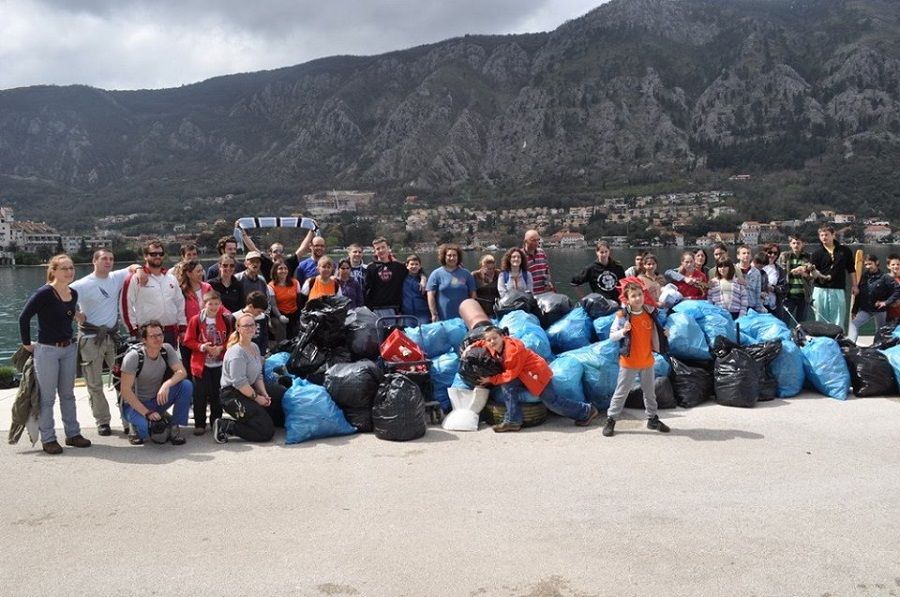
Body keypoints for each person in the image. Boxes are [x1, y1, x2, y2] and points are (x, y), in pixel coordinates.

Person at [19, 254, 92, 454]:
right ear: (53, 271)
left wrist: (77, 315)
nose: (69, 272)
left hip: (69, 348)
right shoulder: (44, 293)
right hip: (47, 350)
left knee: (68, 395)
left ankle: (73, 434)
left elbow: (67, 313)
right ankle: (49, 438)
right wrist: (27, 344)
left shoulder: (73, 293)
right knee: (48, 397)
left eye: (71, 268)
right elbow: (24, 317)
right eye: (64, 268)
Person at [465, 325, 599, 432]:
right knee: (507, 386)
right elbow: (483, 342)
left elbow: (510, 374)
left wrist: (490, 380)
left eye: (494, 338)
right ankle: (513, 421)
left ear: (502, 337)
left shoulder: (513, 351)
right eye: (489, 340)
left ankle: (586, 411)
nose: (491, 342)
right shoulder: (493, 344)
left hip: (536, 374)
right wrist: (471, 347)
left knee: (552, 402)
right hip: (521, 374)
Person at [71, 248, 137, 436]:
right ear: (94, 261)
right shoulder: (82, 284)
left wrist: (137, 270)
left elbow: (134, 266)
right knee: (94, 383)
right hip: (91, 338)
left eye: (111, 259)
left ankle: (127, 420)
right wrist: (76, 314)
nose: (108, 262)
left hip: (113, 337)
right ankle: (102, 421)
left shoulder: (115, 278)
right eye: (104, 259)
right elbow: (58, 295)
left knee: (122, 380)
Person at [603, 280, 671, 437]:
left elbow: (657, 331)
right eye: (633, 296)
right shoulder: (622, 315)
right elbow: (612, 336)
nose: (638, 298)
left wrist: (665, 334)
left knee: (650, 393)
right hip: (629, 362)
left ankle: (652, 419)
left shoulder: (650, 312)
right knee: (621, 392)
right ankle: (611, 419)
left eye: (640, 294)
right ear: (627, 299)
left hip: (647, 361)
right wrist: (623, 332)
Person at [119, 321, 193, 446]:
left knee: (185, 385)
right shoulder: (133, 357)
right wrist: (147, 413)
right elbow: (125, 390)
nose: (157, 339)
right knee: (149, 433)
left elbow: (182, 372)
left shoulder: (166, 349)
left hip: (157, 399)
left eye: (160, 335)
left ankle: (174, 426)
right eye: (152, 336)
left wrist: (166, 385)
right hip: (135, 405)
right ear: (144, 339)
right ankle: (136, 427)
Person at [214, 312, 278, 444]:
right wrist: (257, 398)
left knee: (278, 399)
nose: (250, 328)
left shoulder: (254, 347)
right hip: (232, 396)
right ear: (238, 328)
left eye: (252, 325)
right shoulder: (236, 352)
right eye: (245, 325)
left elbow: (258, 375)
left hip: (248, 390)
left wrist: (264, 393)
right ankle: (226, 426)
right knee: (266, 432)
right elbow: (239, 383)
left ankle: (260, 419)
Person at [183, 291, 232, 436]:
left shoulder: (225, 319)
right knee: (200, 395)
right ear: (204, 304)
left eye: (217, 304)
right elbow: (188, 340)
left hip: (218, 363)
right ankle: (199, 423)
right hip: (201, 364)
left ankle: (216, 421)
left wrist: (221, 348)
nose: (214, 307)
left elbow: (230, 338)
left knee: (217, 394)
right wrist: (202, 347)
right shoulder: (196, 320)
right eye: (211, 304)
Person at [123, 240, 185, 346]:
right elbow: (126, 304)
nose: (158, 256)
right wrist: (133, 330)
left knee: (171, 362)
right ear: (146, 256)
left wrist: (183, 326)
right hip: (148, 334)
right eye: (153, 254)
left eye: (160, 254)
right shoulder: (135, 278)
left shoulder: (171, 278)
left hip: (170, 333)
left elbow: (180, 303)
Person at [810, 225, 858, 330]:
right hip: (820, 289)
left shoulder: (845, 251)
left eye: (826, 234)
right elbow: (812, 274)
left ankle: (838, 339)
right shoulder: (816, 254)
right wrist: (812, 272)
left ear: (833, 235)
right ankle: (821, 340)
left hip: (838, 288)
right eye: (821, 235)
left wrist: (854, 285)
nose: (824, 237)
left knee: (838, 318)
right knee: (820, 318)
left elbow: (851, 269)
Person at [848, 255, 900, 343]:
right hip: (866, 309)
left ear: (876, 263)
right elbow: (859, 293)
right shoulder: (864, 276)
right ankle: (851, 344)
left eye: (870, 264)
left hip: (880, 310)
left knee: (881, 331)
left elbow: (898, 290)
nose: (868, 266)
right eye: (866, 264)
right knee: (854, 324)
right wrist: (854, 309)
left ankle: (878, 348)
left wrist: (886, 302)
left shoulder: (885, 277)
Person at [178, 259, 212, 378]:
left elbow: (218, 306)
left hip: (207, 334)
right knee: (189, 367)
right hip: (189, 336)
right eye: (198, 271)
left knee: (206, 368)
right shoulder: (181, 291)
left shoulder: (207, 287)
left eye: (202, 270)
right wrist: (182, 331)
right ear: (189, 273)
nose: (201, 273)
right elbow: (179, 312)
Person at [427, 243, 476, 322]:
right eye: (449, 255)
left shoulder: (466, 274)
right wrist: (434, 314)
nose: (452, 258)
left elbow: (473, 295)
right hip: (443, 318)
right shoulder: (436, 274)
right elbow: (430, 296)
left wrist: (472, 312)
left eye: (454, 255)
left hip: (464, 317)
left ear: (458, 257)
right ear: (444, 257)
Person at [365, 237, 408, 315]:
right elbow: (367, 289)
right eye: (378, 249)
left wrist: (423, 277)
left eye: (383, 247)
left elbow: (415, 271)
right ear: (374, 251)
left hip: (394, 308)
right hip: (375, 309)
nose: (381, 250)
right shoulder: (371, 268)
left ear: (388, 248)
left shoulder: (399, 267)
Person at [778, 235, 814, 324]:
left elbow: (811, 278)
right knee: (784, 321)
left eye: (798, 243)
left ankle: (801, 337)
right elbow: (780, 274)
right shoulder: (784, 256)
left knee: (801, 323)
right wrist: (791, 271)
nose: (796, 245)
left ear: (803, 244)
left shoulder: (808, 257)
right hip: (788, 295)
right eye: (793, 243)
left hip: (803, 295)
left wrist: (804, 274)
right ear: (790, 244)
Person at [269, 262, 302, 338]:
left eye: (285, 268)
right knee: (281, 328)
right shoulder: (271, 286)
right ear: (275, 271)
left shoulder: (295, 283)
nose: (283, 271)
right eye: (280, 268)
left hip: (293, 312)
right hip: (280, 313)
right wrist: (280, 316)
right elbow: (273, 305)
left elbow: (299, 301)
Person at [231, 291, 270, 356]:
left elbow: (264, 337)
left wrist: (262, 355)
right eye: (258, 311)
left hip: (258, 352)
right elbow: (233, 339)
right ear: (251, 306)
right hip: (241, 353)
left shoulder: (262, 317)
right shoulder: (236, 317)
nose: (260, 313)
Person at [401, 254, 431, 325]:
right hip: (407, 315)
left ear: (420, 266)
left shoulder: (426, 281)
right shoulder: (402, 278)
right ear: (407, 266)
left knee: (423, 334)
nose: (414, 266)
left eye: (416, 264)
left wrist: (423, 277)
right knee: (408, 335)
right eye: (412, 264)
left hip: (423, 314)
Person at [522, 229, 553, 295]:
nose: (536, 242)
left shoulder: (541, 252)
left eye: (538, 240)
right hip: (529, 296)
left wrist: (548, 283)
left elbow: (547, 270)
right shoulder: (520, 256)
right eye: (533, 240)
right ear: (525, 241)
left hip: (544, 293)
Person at [762, 243, 788, 321]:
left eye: (775, 253)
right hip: (760, 306)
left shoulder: (780, 270)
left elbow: (784, 289)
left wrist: (773, 288)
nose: (772, 255)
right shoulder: (757, 267)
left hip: (774, 307)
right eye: (770, 252)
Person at [736, 245, 764, 312]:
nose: (746, 255)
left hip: (751, 305)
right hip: (737, 305)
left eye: (748, 253)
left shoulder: (756, 272)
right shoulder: (733, 270)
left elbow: (758, 291)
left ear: (751, 256)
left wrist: (759, 308)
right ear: (738, 256)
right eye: (744, 253)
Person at [887, 254, 900, 324]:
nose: (896, 266)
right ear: (888, 266)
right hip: (890, 317)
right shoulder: (885, 280)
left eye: (898, 264)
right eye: (893, 264)